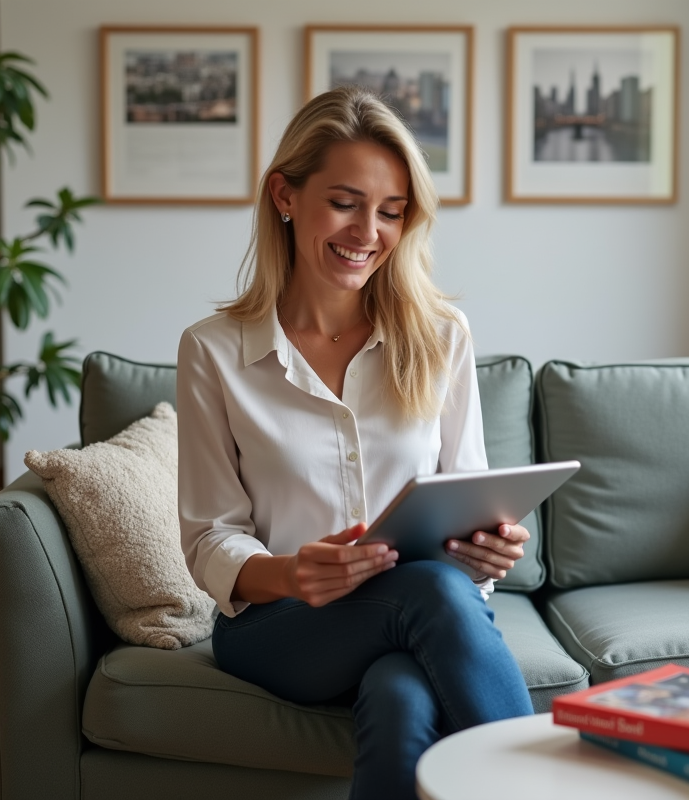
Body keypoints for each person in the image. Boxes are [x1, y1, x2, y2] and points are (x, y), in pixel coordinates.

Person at [176, 86, 535, 800]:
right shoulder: (213, 351)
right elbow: (210, 540)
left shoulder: (441, 338)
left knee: (402, 695)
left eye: (392, 211)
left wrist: (487, 548)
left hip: (425, 610)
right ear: (286, 195)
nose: (368, 231)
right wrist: (293, 575)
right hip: (282, 626)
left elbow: (467, 490)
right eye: (345, 202)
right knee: (431, 594)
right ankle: (543, 785)